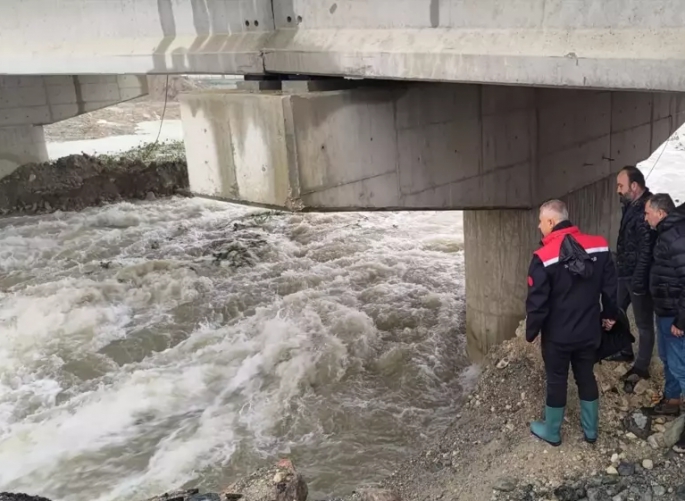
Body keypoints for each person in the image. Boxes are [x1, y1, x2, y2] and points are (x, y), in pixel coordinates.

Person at [526, 200, 618, 446]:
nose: (538, 226)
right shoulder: (599, 245)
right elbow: (611, 287)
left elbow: (537, 302)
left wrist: (531, 331)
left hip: (558, 335)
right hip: (589, 330)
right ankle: (591, 431)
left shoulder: (543, 257)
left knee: (557, 379)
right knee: (586, 376)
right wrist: (610, 314)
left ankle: (552, 432)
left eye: (540, 221)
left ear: (551, 222)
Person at [644, 193, 685, 451]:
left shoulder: (675, 237)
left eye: (648, 212)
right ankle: (671, 402)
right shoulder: (665, 233)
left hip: (675, 314)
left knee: (681, 366)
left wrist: (681, 319)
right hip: (665, 310)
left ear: (661, 213)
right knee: (668, 359)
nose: (645, 216)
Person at [612, 167, 656, 389]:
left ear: (634, 186)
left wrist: (639, 282)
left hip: (637, 277)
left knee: (644, 324)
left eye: (621, 186)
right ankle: (625, 350)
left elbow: (646, 251)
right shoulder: (631, 206)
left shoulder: (645, 210)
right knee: (618, 309)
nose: (618, 190)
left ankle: (641, 367)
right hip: (625, 273)